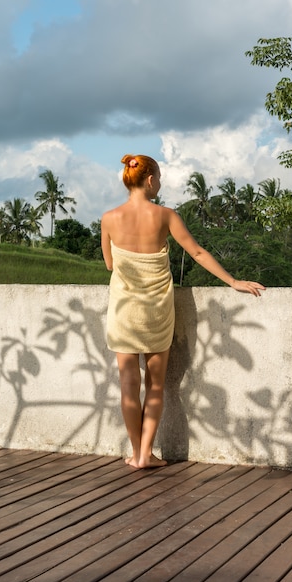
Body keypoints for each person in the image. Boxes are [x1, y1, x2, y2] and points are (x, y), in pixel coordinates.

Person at [101, 154, 265, 469]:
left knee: (127, 385)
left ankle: (135, 454)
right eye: (159, 179)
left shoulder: (109, 218)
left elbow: (110, 264)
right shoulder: (165, 216)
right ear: (150, 180)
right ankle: (148, 453)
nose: (159, 184)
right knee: (157, 384)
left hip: (122, 310)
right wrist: (232, 281)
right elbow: (198, 251)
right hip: (156, 311)